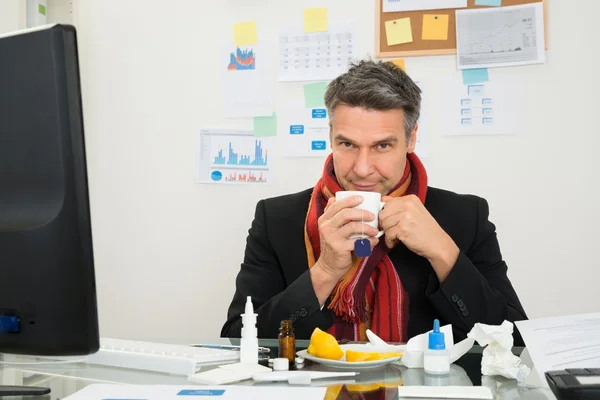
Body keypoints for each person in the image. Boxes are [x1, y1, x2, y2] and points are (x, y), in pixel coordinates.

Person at [220, 60, 527, 345]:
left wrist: (444, 253)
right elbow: (238, 341)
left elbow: (513, 343)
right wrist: (325, 271)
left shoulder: (464, 216)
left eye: (382, 145)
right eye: (347, 144)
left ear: (411, 139)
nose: (363, 168)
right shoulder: (277, 218)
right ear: (330, 136)